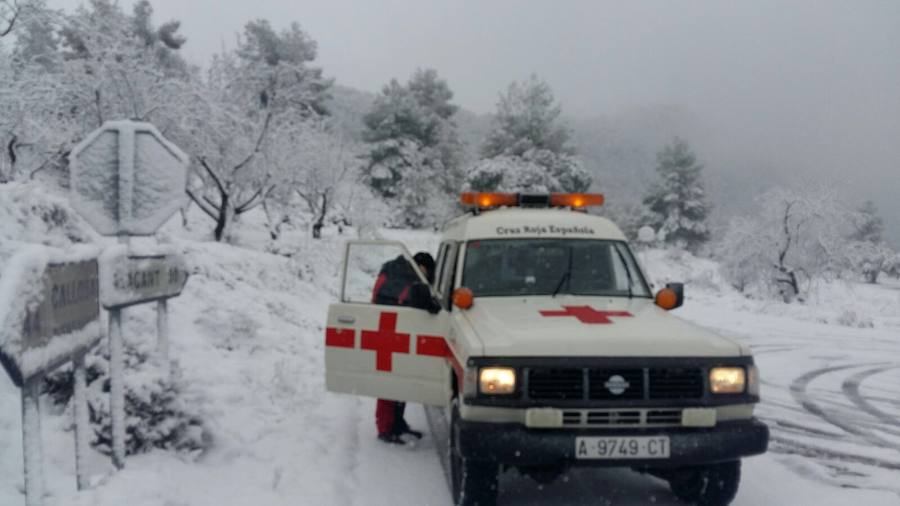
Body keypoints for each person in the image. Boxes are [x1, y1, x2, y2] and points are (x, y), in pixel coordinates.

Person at [372, 251, 439, 444]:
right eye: (426, 272)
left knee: (401, 381)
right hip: (388, 330)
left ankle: (398, 424)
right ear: (420, 266)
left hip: (398, 330)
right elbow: (401, 298)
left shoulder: (403, 273)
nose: (426, 276)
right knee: (388, 382)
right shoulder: (399, 275)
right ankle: (385, 429)